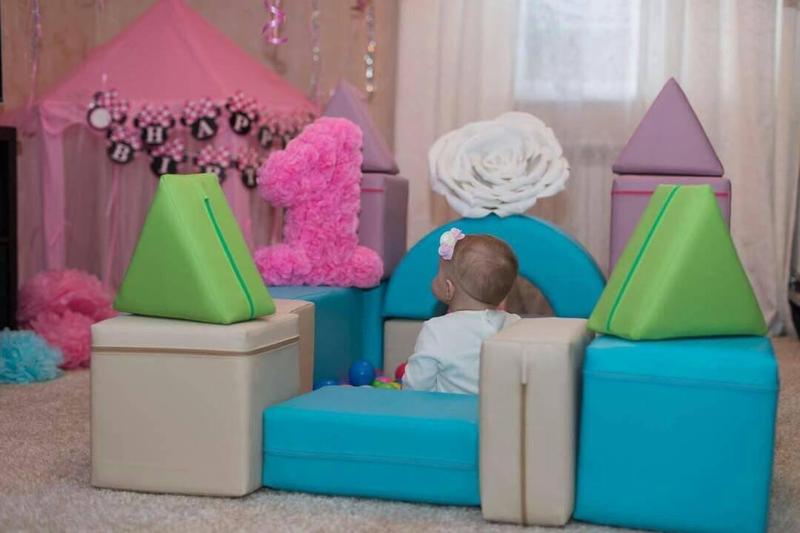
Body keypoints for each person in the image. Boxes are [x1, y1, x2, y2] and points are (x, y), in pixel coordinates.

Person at [403, 228, 520, 394]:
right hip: (497, 409)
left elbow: (417, 385)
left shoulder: (437, 330)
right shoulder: (515, 325)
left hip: (450, 410)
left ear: (449, 289)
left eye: (438, 273)